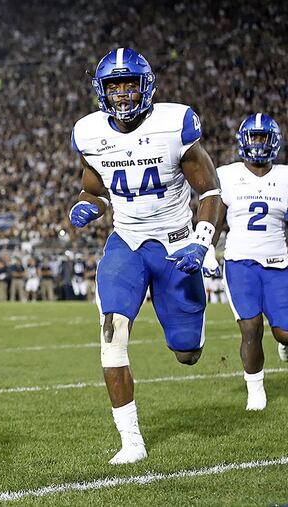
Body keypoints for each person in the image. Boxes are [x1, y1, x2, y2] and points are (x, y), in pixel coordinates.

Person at [69, 48, 222, 464]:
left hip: (175, 244)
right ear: (101, 90)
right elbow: (93, 188)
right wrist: (88, 204)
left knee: (187, 352)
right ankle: (132, 442)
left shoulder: (175, 124)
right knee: (111, 334)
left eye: (128, 84)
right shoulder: (89, 132)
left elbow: (209, 191)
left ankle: (188, 322)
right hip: (127, 243)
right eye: (113, 85)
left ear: (145, 85)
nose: (121, 94)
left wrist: (202, 240)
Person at [206, 113, 288, 411]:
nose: (257, 143)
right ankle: (255, 389)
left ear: (273, 141)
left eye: (263, 137)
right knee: (251, 326)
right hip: (240, 262)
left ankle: (283, 344)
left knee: (284, 332)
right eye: (253, 137)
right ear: (243, 140)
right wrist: (206, 249)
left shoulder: (285, 177)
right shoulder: (226, 174)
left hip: (279, 263)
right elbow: (213, 215)